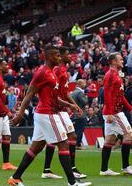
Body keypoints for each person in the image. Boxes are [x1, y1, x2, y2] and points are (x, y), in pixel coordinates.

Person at [8, 46, 91, 186]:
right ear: (50, 57)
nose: (60, 58)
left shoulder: (51, 72)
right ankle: (72, 182)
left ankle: (15, 178)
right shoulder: (42, 72)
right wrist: (20, 114)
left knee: (36, 147)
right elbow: (29, 93)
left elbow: (53, 96)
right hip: (47, 113)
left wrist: (69, 105)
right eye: (57, 56)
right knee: (63, 144)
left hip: (44, 114)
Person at [41, 47, 87, 180]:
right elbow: (54, 92)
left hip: (59, 108)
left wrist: (74, 105)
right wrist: (68, 105)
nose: (70, 57)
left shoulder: (62, 70)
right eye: (67, 54)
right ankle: (71, 170)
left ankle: (47, 169)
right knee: (69, 137)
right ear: (59, 56)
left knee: (49, 140)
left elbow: (65, 92)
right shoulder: (57, 70)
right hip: (55, 109)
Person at [100, 52, 132, 176]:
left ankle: (104, 170)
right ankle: (126, 167)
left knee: (110, 140)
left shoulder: (116, 75)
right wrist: (111, 113)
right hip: (114, 112)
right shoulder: (110, 75)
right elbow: (106, 94)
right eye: (120, 59)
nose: (123, 61)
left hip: (112, 112)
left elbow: (120, 95)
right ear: (113, 62)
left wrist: (131, 109)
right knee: (128, 135)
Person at [71, 80, 88, 148]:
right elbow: (84, 102)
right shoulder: (79, 92)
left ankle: (74, 143)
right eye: (84, 83)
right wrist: (86, 97)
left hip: (75, 114)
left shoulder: (73, 92)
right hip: (81, 114)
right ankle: (78, 144)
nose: (85, 84)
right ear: (80, 84)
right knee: (80, 130)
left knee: (76, 130)